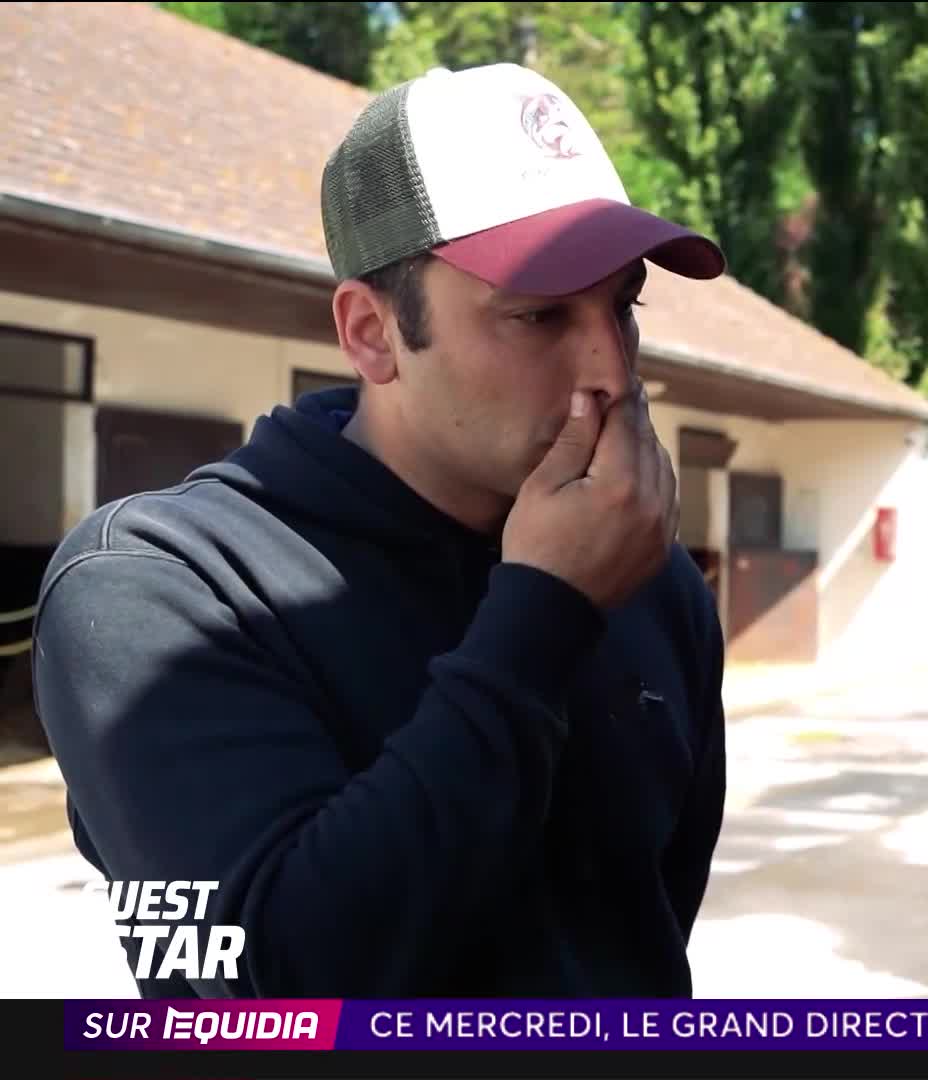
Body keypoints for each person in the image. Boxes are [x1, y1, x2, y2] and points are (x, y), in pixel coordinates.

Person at [33, 63, 730, 998]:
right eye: (539, 315)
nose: (611, 368)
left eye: (622, 305)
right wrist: (544, 614)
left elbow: (641, 935)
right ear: (370, 334)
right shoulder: (158, 589)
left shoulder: (649, 580)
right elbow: (267, 992)